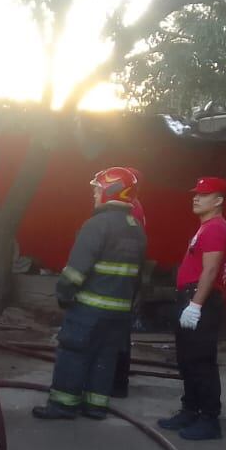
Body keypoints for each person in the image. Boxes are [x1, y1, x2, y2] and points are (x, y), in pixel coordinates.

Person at [33, 166, 146, 421]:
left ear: (111, 190)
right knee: (104, 356)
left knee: (73, 352)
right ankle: (96, 406)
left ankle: (63, 405)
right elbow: (139, 276)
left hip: (89, 309)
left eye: (97, 189)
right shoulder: (136, 228)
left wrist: (63, 294)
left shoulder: (96, 225)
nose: (94, 194)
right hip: (119, 313)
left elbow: (75, 270)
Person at [157, 177, 226, 440]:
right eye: (196, 193)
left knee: (201, 362)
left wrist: (196, 305)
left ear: (219, 200)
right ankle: (190, 410)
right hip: (192, 298)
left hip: (201, 300)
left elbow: (211, 269)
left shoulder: (215, 229)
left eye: (204, 194)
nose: (196, 198)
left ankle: (209, 419)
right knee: (188, 359)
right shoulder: (207, 227)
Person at [113, 166, 147, 399]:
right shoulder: (136, 207)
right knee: (119, 330)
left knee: (117, 331)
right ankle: (117, 381)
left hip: (120, 279)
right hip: (128, 276)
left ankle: (116, 383)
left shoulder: (131, 209)